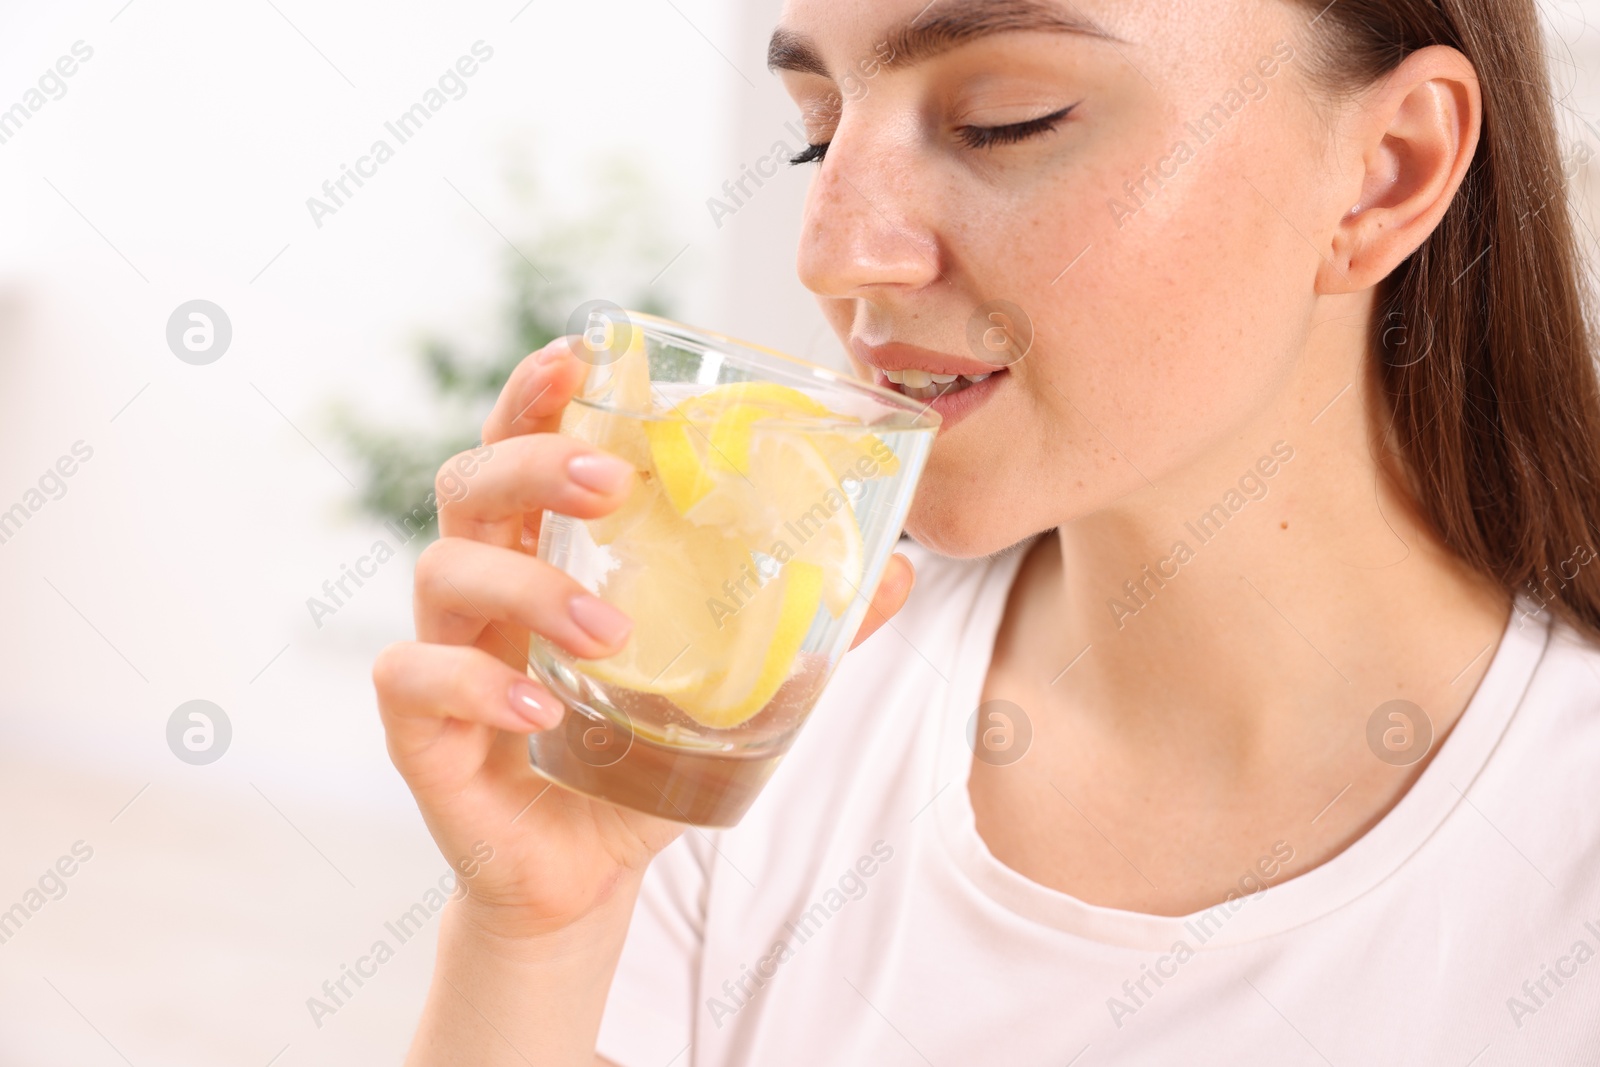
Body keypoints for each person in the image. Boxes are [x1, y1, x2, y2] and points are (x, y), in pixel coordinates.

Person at [372, 0, 1600, 1062]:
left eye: (1004, 119)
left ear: (1387, 167)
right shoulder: (749, 720)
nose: (835, 252)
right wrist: (538, 931)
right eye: (816, 139)